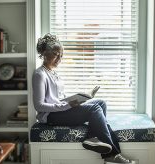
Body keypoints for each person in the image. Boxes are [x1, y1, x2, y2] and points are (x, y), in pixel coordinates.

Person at [32, 33, 135, 164]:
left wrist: (78, 98)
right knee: (94, 108)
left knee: (101, 103)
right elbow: (39, 106)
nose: (59, 58)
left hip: (60, 110)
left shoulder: (54, 73)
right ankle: (112, 155)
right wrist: (68, 105)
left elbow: (57, 99)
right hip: (50, 116)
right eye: (56, 54)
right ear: (45, 53)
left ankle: (91, 137)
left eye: (61, 55)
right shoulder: (39, 74)